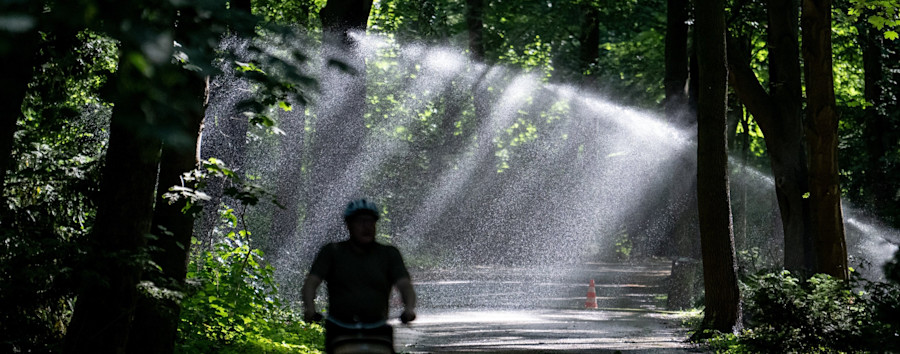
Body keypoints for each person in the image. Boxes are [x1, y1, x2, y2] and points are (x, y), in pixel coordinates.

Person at [301, 198, 417, 353]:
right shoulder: (332, 252)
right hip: (340, 328)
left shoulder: (388, 254)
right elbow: (311, 283)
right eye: (360, 222)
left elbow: (405, 285)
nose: (366, 227)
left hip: (377, 328)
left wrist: (408, 308)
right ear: (349, 225)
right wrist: (310, 308)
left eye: (370, 222)